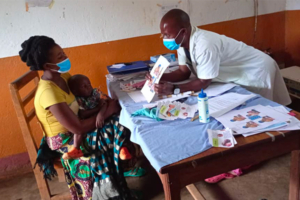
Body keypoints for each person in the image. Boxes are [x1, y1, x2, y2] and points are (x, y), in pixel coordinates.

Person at [19, 36, 134, 199]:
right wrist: (106, 112)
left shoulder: (63, 77)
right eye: (60, 57)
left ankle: (119, 187)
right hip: (65, 139)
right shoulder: (49, 93)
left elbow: (82, 104)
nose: (66, 58)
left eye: (64, 53)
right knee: (109, 135)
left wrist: (103, 108)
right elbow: (77, 128)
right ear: (47, 66)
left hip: (77, 124)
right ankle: (107, 193)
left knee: (120, 120)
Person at [149, 9, 291, 106]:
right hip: (237, 72)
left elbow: (204, 82)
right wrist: (160, 78)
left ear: (183, 31)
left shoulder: (204, 44)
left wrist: (174, 89)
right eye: (163, 34)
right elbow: (183, 72)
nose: (164, 38)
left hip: (257, 69)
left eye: (167, 35)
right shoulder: (181, 42)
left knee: (263, 110)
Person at [64, 74, 132, 160]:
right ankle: (76, 149)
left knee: (120, 121)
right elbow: (83, 114)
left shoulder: (96, 92)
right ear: (75, 91)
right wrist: (97, 109)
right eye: (84, 86)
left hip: (103, 114)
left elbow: (105, 103)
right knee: (77, 131)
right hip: (89, 119)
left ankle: (122, 149)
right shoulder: (78, 100)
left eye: (89, 84)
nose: (88, 87)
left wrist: (100, 114)